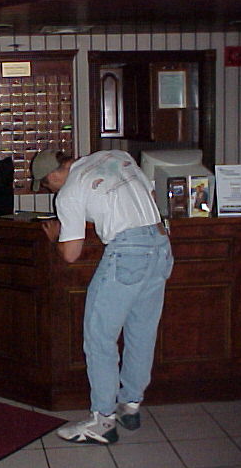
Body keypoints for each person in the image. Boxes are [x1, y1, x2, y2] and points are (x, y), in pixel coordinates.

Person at [31, 148, 174, 445]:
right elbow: (145, 198)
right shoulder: (116, 155)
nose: (50, 190)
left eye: (46, 185)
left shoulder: (68, 192)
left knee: (99, 338)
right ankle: (130, 406)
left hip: (127, 253)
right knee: (141, 332)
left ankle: (103, 421)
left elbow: (71, 254)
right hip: (160, 245)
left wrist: (57, 237)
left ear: (52, 176)